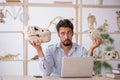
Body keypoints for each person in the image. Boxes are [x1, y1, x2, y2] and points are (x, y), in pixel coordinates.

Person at [29, 19, 101, 76]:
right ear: (58, 34)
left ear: (72, 33)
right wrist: (39, 50)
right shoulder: (51, 50)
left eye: (69, 33)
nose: (66, 37)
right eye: (62, 33)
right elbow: (46, 72)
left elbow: (87, 70)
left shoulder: (81, 50)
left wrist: (91, 49)